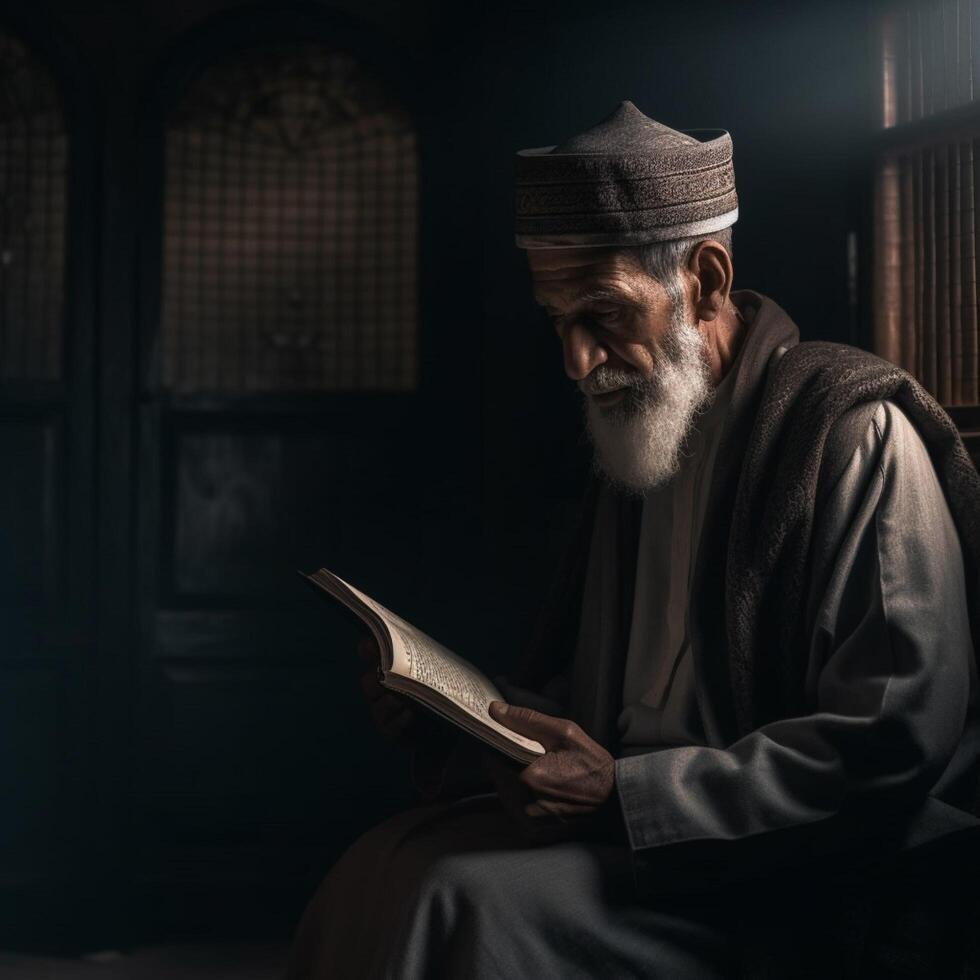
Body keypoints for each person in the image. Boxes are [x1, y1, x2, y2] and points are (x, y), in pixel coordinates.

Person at [285, 102, 980, 979]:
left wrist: (627, 795)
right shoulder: (645, 434)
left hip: (777, 866)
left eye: (603, 314)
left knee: (454, 898)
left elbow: (891, 739)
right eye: (557, 323)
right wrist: (457, 722)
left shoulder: (849, 436)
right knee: (379, 866)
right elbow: (606, 701)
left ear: (706, 279)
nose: (578, 362)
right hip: (637, 835)